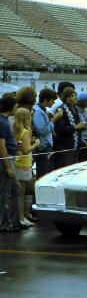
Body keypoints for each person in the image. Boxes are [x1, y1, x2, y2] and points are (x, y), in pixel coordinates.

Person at [13, 108, 40, 227]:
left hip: (17, 162)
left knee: (19, 193)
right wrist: (36, 143)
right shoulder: (25, 131)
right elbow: (26, 150)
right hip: (24, 163)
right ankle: (21, 217)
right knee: (21, 193)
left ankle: (21, 217)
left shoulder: (15, 130)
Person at [0, 95, 22, 232]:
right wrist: (7, 166)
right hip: (6, 160)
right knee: (5, 193)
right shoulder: (2, 122)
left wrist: (14, 144)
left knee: (15, 190)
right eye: (15, 106)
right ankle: (4, 224)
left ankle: (14, 222)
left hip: (9, 156)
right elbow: (1, 147)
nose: (17, 108)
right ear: (10, 106)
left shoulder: (5, 120)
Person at [33, 88, 63, 178]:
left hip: (46, 145)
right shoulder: (38, 112)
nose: (54, 103)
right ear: (46, 100)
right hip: (43, 147)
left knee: (48, 171)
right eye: (52, 100)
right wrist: (54, 119)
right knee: (43, 173)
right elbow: (42, 130)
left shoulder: (41, 110)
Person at [54, 87, 87, 168]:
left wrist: (82, 127)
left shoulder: (75, 108)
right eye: (69, 96)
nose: (72, 98)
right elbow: (59, 129)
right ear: (65, 98)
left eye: (73, 96)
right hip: (65, 146)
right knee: (66, 168)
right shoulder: (61, 109)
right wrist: (76, 127)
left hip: (75, 146)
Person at [76, 91, 87, 162]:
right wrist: (85, 142)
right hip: (81, 143)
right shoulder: (76, 113)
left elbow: (86, 130)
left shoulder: (84, 112)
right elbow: (79, 131)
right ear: (84, 101)